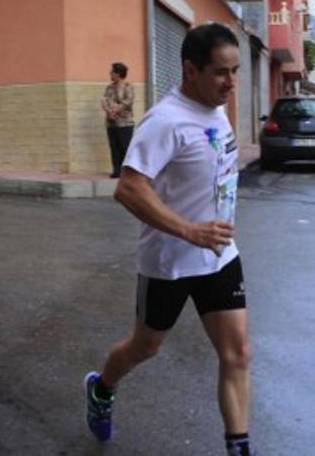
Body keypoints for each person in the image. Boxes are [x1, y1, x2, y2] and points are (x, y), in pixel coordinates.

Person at [84, 23, 253, 456]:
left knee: (237, 355)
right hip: (171, 261)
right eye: (220, 73)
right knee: (146, 346)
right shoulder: (164, 121)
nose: (231, 84)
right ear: (189, 70)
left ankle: (239, 448)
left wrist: (211, 224)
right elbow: (129, 187)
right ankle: (102, 388)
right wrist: (189, 229)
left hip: (219, 254)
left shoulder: (215, 105)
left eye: (235, 72)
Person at [101, 62, 136, 178]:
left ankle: (127, 172)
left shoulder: (128, 86)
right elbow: (104, 100)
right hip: (111, 122)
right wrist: (108, 111)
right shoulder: (109, 87)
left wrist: (116, 110)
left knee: (125, 147)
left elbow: (128, 101)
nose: (110, 74)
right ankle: (116, 170)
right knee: (114, 147)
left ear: (118, 73)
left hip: (125, 122)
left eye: (112, 72)